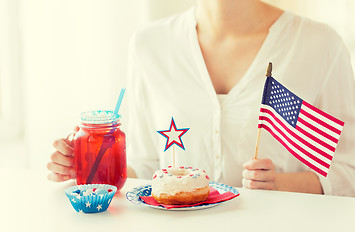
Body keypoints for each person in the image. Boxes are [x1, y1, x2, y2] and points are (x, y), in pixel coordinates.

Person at [47, 0, 355, 196]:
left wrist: (282, 185)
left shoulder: (320, 45)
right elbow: (145, 166)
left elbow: (349, 172)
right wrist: (88, 168)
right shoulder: (148, 44)